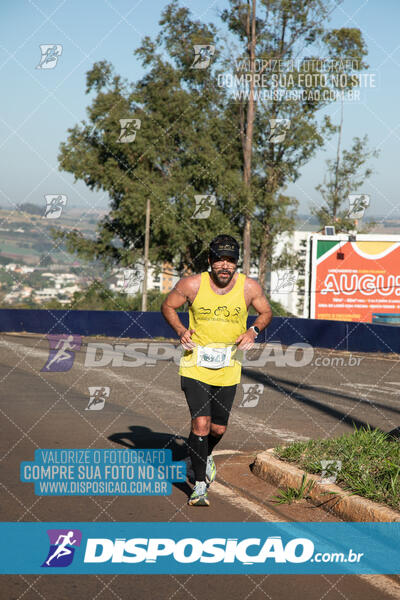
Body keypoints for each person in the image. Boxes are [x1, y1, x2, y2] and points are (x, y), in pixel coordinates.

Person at [161, 234, 272, 506]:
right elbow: (168, 306)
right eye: (220, 260)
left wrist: (253, 331)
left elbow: (266, 312)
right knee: (201, 424)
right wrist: (180, 329)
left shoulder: (249, 288)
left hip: (228, 367)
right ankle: (199, 486)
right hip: (195, 364)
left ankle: (201, 454)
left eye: (230, 260)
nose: (225, 265)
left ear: (236, 263)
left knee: (218, 429)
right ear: (210, 260)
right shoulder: (192, 284)